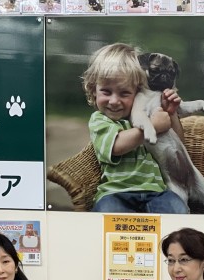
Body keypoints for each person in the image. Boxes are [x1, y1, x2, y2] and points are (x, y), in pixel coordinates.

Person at [81, 42, 188, 214]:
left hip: (157, 192)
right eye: (106, 92)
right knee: (106, 213)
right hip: (115, 193)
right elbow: (116, 147)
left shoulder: (147, 112)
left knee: (178, 209)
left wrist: (171, 113)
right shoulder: (99, 120)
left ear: (137, 92)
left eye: (124, 93)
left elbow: (179, 144)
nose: (114, 101)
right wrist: (151, 126)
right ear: (94, 90)